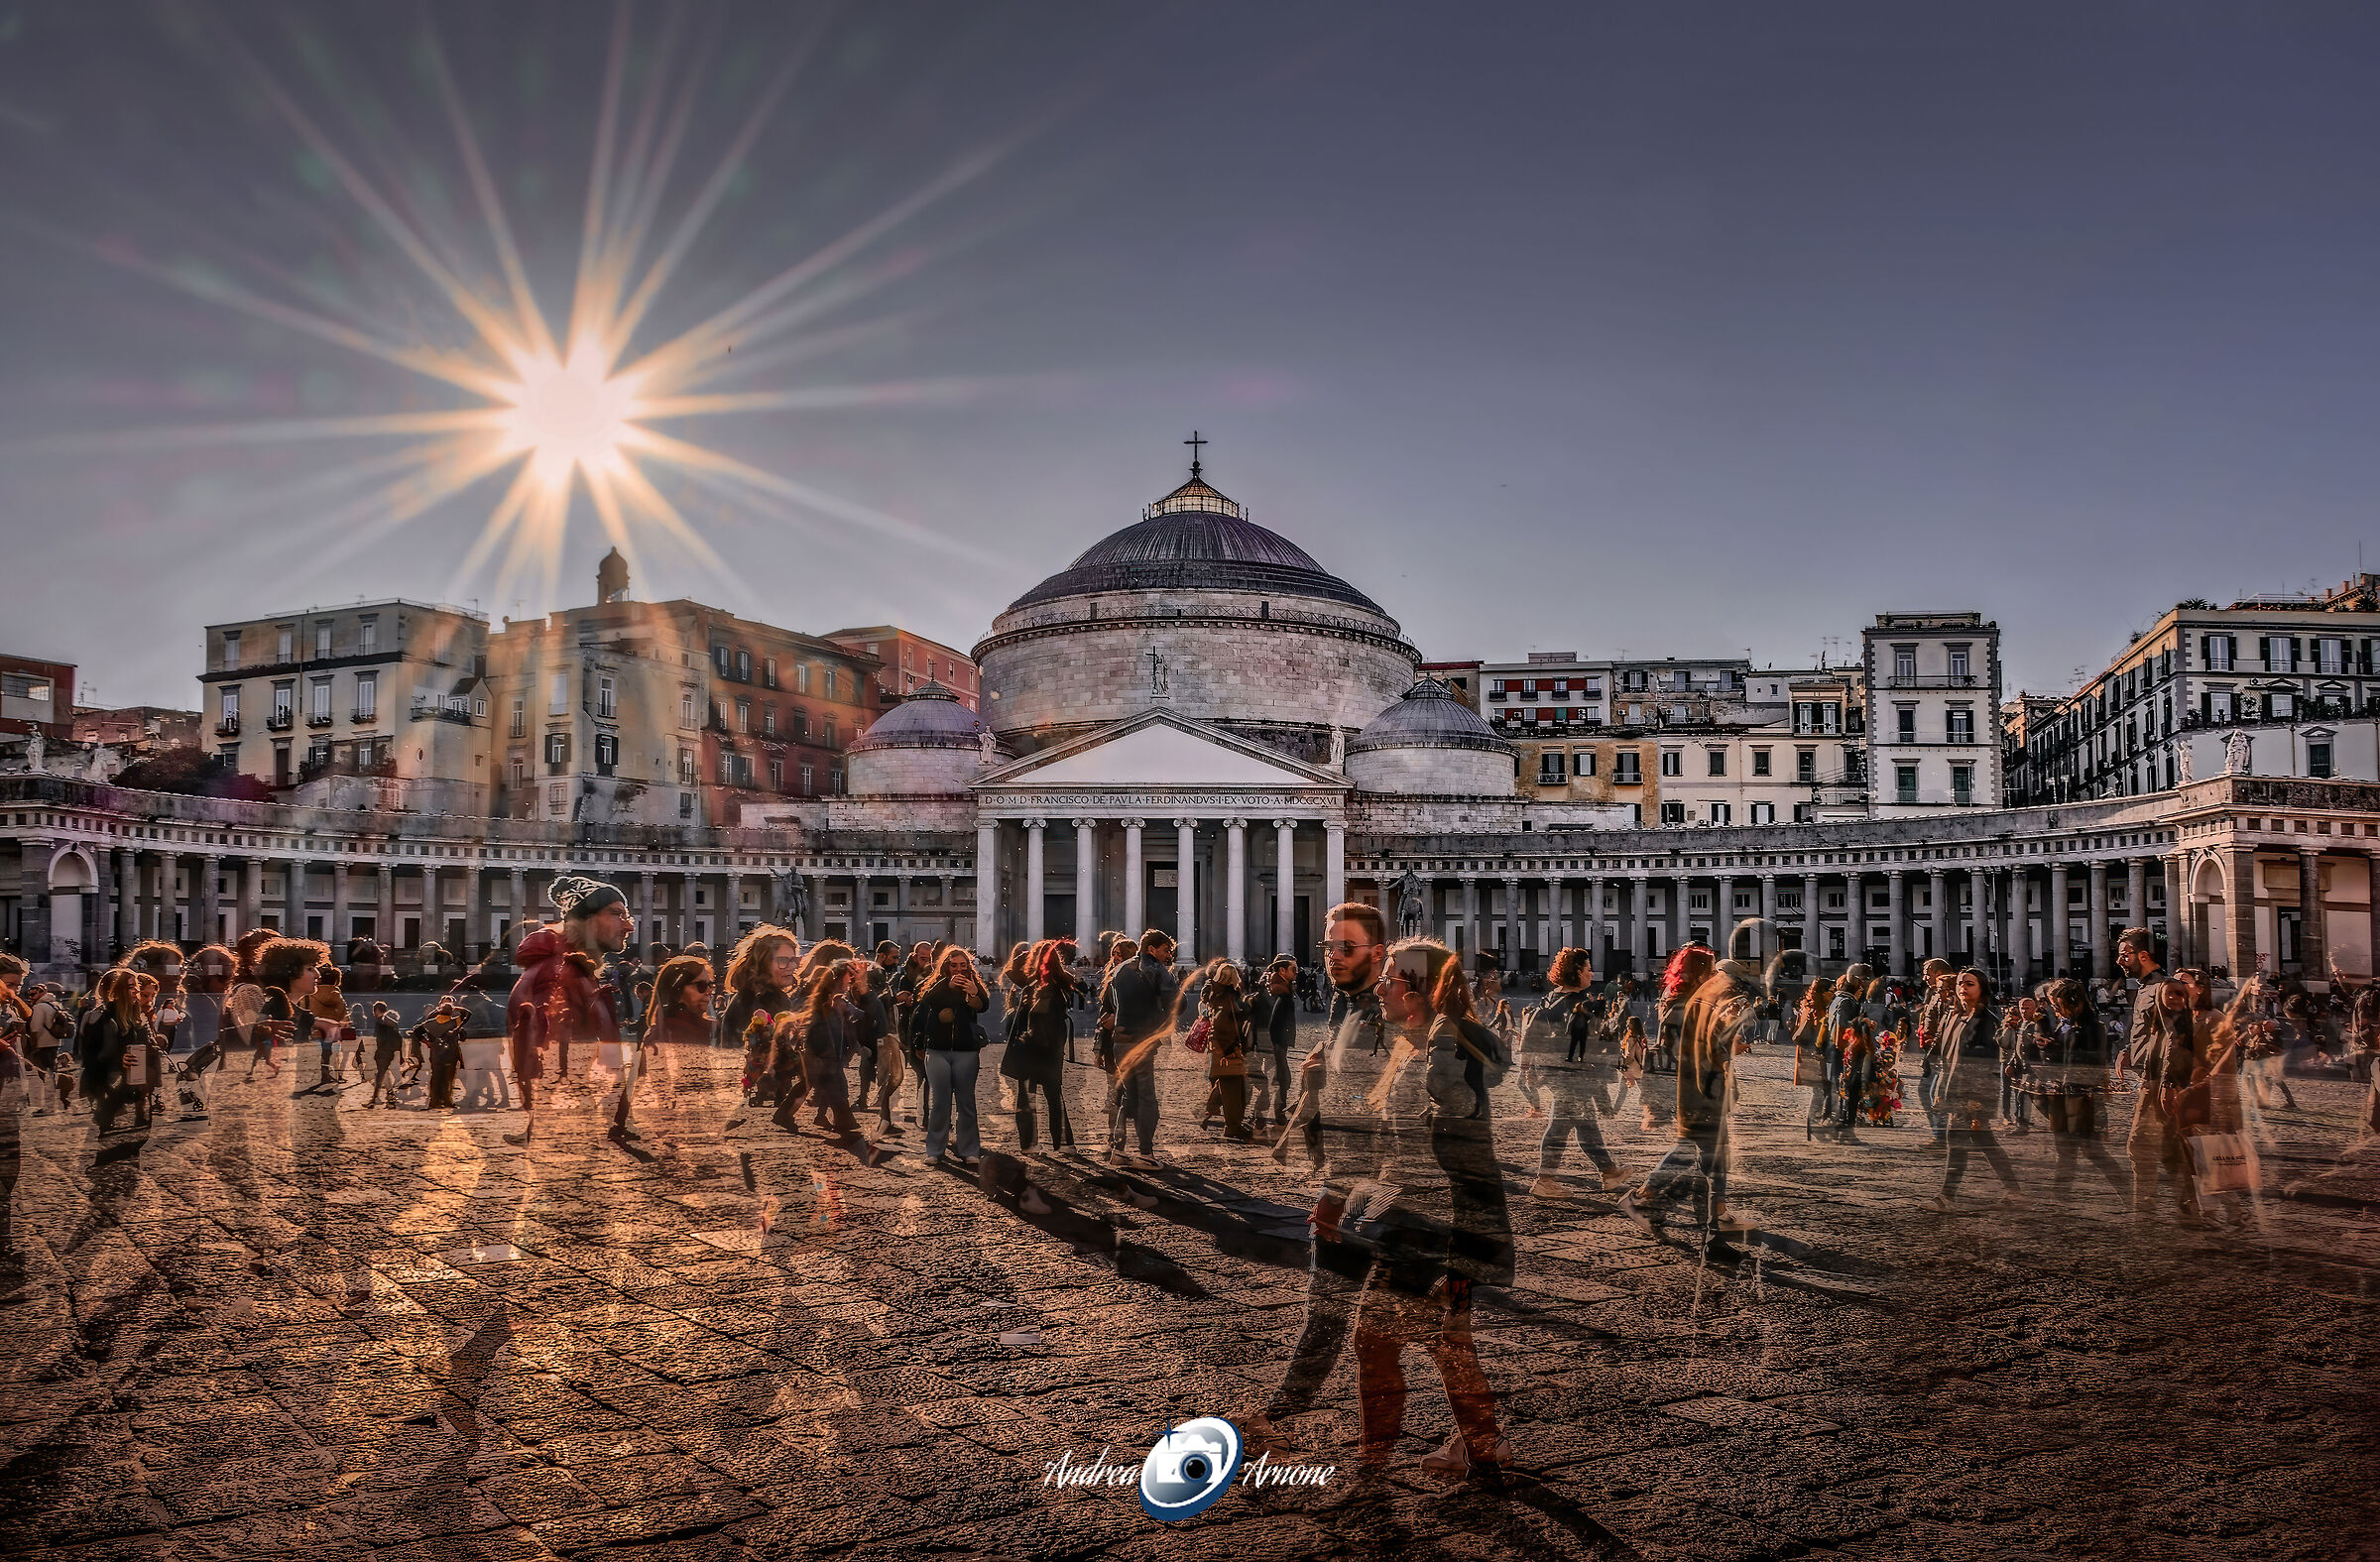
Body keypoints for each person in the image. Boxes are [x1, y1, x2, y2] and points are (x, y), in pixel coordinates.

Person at [1619, 919, 1775, 1257]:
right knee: (1703, 1159)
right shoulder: (1682, 1007)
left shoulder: (1690, 1003)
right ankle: (1646, 1201)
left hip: (1702, 1092)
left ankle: (1703, 1225)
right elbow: (1682, 1053)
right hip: (1695, 1093)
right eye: (1710, 971)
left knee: (1706, 1159)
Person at [505, 875, 632, 1121]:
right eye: (617, 915)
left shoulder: (575, 968)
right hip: (566, 1118)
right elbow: (543, 1045)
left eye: (626, 917)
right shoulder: (561, 972)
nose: (629, 927)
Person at [1527, 946, 1623, 1197]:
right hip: (1570, 1073)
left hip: (1555, 1070)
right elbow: (1589, 1044)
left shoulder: (1550, 998)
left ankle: (1609, 1171)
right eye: (1588, 969)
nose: (1592, 974)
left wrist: (1531, 1067)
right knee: (1559, 1125)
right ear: (1576, 972)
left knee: (1585, 1123)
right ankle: (1544, 1180)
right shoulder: (1577, 1004)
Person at [1931, 969, 2022, 1213]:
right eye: (1961, 983)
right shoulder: (1953, 1016)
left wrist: (1978, 1100)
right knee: (1984, 1140)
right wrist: (1942, 1088)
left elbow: (1988, 1061)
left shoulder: (1987, 1019)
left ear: (1982, 989)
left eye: (1970, 984)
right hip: (1955, 1087)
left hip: (1974, 1092)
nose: (1963, 988)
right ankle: (2015, 1191)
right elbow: (1947, 1058)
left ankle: (1946, 1196)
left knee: (1957, 1140)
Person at [2037, 979, 2126, 1202]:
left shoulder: (2092, 1027)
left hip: (2083, 1095)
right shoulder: (2065, 1024)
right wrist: (2050, 1048)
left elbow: (2093, 1061)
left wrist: (2059, 1046)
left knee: (2091, 1150)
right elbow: (2064, 1058)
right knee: (2065, 1150)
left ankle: (2126, 1191)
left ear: (2074, 1003)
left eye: (2059, 1006)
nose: (2056, 1011)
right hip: (2064, 1093)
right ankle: (2060, 1196)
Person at [1100, 929, 1178, 1164]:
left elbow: (1113, 1005)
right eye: (1166, 950)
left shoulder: (1120, 970)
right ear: (1152, 949)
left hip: (1120, 1042)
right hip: (1141, 1041)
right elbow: (1179, 1003)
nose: (1168, 956)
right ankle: (1146, 1153)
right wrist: (1159, 1020)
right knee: (1147, 1098)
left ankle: (1119, 1150)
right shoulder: (1155, 969)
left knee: (1128, 1096)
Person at [910, 946, 990, 1166]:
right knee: (940, 1102)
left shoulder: (973, 983)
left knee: (966, 1102)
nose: (958, 969)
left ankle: (969, 1149)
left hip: (966, 1049)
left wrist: (972, 992)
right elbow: (928, 1001)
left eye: (963, 965)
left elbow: (983, 1006)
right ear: (946, 966)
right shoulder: (938, 984)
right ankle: (935, 1149)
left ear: (968, 966)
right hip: (938, 1048)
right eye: (954, 965)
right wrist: (948, 985)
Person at [1009, 942, 1079, 1151]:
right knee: (1053, 1095)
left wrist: (1031, 954)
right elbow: (1012, 971)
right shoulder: (1059, 984)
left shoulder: (1039, 986)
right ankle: (1065, 1143)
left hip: (1033, 1047)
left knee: (1028, 1096)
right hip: (1051, 1049)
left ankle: (1030, 1143)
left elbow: (1013, 971)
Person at [722, 926, 801, 1104]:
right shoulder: (752, 1000)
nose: (792, 967)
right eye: (783, 960)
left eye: (794, 960)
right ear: (764, 963)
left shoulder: (774, 997)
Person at [1193, 961, 1254, 1142]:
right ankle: (1232, 1126)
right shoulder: (1226, 997)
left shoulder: (1215, 993)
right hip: (1226, 1050)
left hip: (1217, 1049)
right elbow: (1222, 1025)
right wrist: (1231, 1050)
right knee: (1233, 1087)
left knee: (1225, 1083)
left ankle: (1208, 1111)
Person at [1252, 957, 1300, 1127]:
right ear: (1282, 971)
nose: (1297, 972)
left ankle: (1264, 1114)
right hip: (1271, 1041)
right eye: (1293, 969)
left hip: (1273, 1041)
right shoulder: (1276, 990)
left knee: (1278, 1078)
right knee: (1280, 1078)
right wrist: (1276, 1044)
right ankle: (1270, 1114)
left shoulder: (1275, 987)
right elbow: (1272, 1019)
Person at [303, 965, 352, 1096]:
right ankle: (327, 1075)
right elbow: (344, 1014)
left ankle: (322, 1075)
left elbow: (303, 1010)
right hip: (331, 1031)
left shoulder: (311, 994)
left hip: (315, 1028)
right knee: (329, 1054)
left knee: (317, 1054)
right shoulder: (337, 996)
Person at [415, 999, 467, 1110]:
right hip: (451, 1054)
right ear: (451, 1012)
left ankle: (434, 1101)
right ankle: (447, 1101)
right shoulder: (455, 1022)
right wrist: (457, 1008)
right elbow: (467, 1013)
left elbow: (417, 1030)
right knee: (448, 1078)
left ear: (439, 1011)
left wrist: (427, 1042)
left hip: (436, 1054)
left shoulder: (430, 1023)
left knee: (436, 1077)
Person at [365, 1002, 406, 1107]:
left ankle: (378, 1099)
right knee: (382, 1075)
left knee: (379, 1076)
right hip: (390, 1052)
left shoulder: (380, 1023)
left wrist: (378, 1051)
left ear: (377, 1011)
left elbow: (380, 1039)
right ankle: (387, 1096)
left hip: (383, 1052)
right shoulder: (392, 1022)